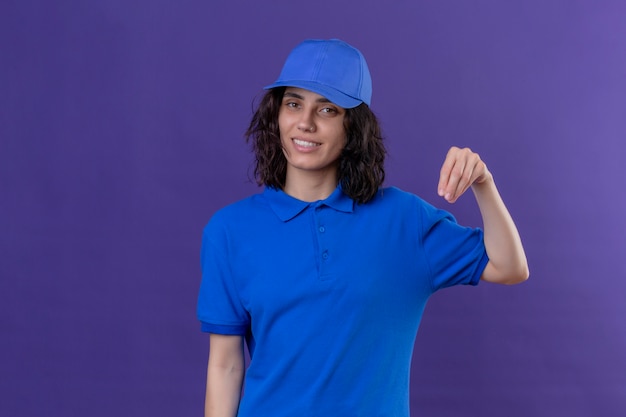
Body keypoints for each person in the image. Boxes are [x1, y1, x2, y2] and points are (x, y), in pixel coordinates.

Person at [197, 38, 528, 417]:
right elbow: (225, 366)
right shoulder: (229, 231)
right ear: (276, 114)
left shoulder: (404, 221)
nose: (305, 122)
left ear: (353, 127)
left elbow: (510, 267)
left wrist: (484, 183)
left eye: (327, 109)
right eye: (293, 104)